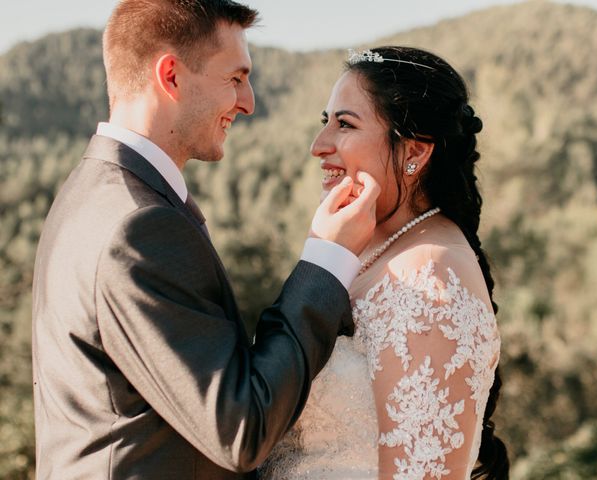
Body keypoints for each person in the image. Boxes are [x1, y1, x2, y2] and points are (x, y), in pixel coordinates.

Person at [31, 1, 380, 479]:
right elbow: (241, 427)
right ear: (171, 75)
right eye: (235, 78)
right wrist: (327, 257)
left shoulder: (88, 191)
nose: (249, 101)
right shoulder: (138, 227)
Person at [260, 47, 509, 479]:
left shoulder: (431, 274)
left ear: (414, 151)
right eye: (326, 122)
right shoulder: (371, 251)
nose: (319, 146)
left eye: (345, 124)